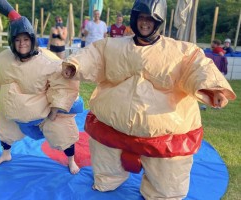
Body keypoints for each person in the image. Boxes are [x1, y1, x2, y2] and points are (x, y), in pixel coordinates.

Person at [62, 0, 236, 198]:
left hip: (163, 134)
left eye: (150, 19)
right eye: (141, 18)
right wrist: (74, 65)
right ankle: (107, 179)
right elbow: (92, 55)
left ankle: (162, 193)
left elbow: (199, 67)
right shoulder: (113, 46)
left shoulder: (180, 51)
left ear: (158, 22)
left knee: (167, 182)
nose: (145, 23)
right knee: (107, 163)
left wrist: (214, 89)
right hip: (112, 127)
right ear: (134, 20)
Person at [0, 0, 81, 174]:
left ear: (32, 39)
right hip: (15, 114)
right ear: (12, 42)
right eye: (17, 40)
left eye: (25, 39)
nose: (22, 43)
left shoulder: (47, 61)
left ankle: (71, 161)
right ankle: (6, 154)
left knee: (63, 134)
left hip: (44, 115)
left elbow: (63, 84)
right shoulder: (4, 58)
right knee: (4, 128)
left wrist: (55, 109)